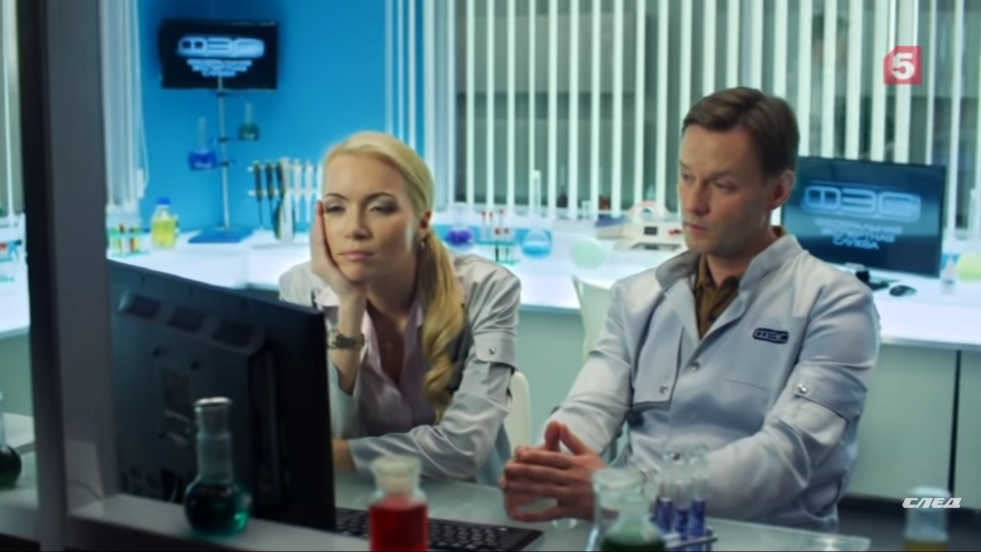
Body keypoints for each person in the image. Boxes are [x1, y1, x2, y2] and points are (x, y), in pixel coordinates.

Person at [500, 87, 881, 531]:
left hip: (759, 539)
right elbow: (591, 407)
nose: (694, 203)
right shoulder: (637, 296)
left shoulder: (837, 304)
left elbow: (786, 458)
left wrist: (630, 491)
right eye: (686, 176)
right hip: (634, 535)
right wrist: (548, 466)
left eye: (722, 185)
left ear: (778, 190)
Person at [279, 130, 521, 485]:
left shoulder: (488, 288)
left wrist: (332, 454)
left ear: (422, 222)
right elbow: (325, 429)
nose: (354, 229)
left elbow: (463, 449)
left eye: (380, 208)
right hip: (357, 501)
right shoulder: (301, 289)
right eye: (336, 208)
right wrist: (350, 306)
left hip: (465, 503)